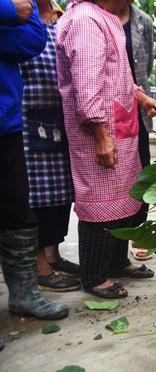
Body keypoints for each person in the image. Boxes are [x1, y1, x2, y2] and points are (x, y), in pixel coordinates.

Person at [56, 0, 156, 299]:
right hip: (99, 131)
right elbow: (87, 83)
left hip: (121, 125)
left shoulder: (105, 18)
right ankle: (94, 276)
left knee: (124, 198)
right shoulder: (86, 20)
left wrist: (141, 97)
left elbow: (118, 76)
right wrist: (101, 134)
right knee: (100, 203)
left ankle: (117, 261)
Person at [1, 0, 70, 352]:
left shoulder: (41, 11)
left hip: (9, 119)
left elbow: (28, 43)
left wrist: (23, 16)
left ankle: (27, 290)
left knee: (22, 208)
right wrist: (9, 11)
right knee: (27, 200)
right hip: (20, 113)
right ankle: (36, 276)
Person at [18, 0, 81, 293]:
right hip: (25, 118)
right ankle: (38, 264)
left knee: (59, 193)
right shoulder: (18, 13)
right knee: (32, 196)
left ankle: (54, 254)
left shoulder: (62, 15)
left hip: (59, 119)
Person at [118, 0, 155, 261]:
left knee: (143, 174)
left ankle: (138, 233)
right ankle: (112, 242)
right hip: (108, 108)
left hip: (138, 108)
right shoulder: (95, 18)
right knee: (112, 178)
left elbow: (147, 66)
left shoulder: (144, 21)